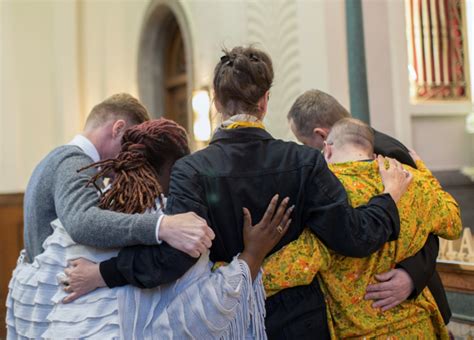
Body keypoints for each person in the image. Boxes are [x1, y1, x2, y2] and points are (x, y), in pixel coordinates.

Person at [63, 46, 411, 339]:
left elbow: (174, 259)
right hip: (301, 317)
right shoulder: (304, 162)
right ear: (264, 101)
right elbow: (353, 237)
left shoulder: (192, 169)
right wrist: (389, 198)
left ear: (216, 102)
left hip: (234, 317)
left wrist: (103, 273)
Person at [8, 118, 291, 339]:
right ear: (176, 171)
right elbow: (198, 316)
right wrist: (251, 257)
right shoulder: (177, 226)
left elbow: (35, 298)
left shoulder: (77, 224)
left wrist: (100, 275)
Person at [6, 94, 213, 338]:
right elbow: (83, 222)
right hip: (51, 308)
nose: (128, 159)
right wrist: (161, 225)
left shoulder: (58, 157)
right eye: (128, 147)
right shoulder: (73, 163)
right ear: (118, 128)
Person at [262, 118, 462, 338]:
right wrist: (424, 173)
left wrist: (232, 272)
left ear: (327, 150)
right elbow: (453, 223)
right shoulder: (410, 182)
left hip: (363, 333)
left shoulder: (328, 196)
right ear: (371, 150)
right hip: (420, 328)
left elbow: (293, 265)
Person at [286, 89, 451, 323]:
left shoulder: (385, 153)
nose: (309, 152)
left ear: (323, 137)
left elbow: (427, 222)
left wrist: (410, 275)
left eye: (305, 143)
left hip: (411, 302)